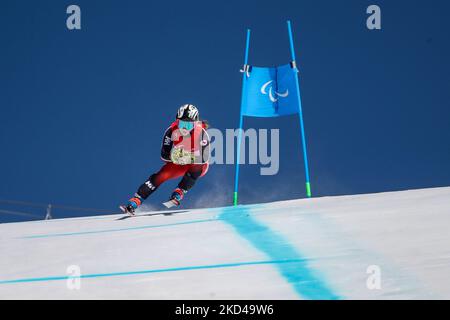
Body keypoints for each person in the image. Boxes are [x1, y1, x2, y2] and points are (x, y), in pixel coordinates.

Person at [121, 104, 210, 214]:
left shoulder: (201, 133)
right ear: (176, 121)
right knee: (162, 175)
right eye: (181, 124)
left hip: (196, 163)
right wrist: (174, 156)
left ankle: (180, 191)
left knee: (198, 166)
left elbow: (204, 158)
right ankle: (137, 199)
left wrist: (187, 156)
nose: (184, 128)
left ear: (195, 124)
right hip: (178, 162)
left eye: (188, 125)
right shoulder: (171, 131)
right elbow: (164, 155)